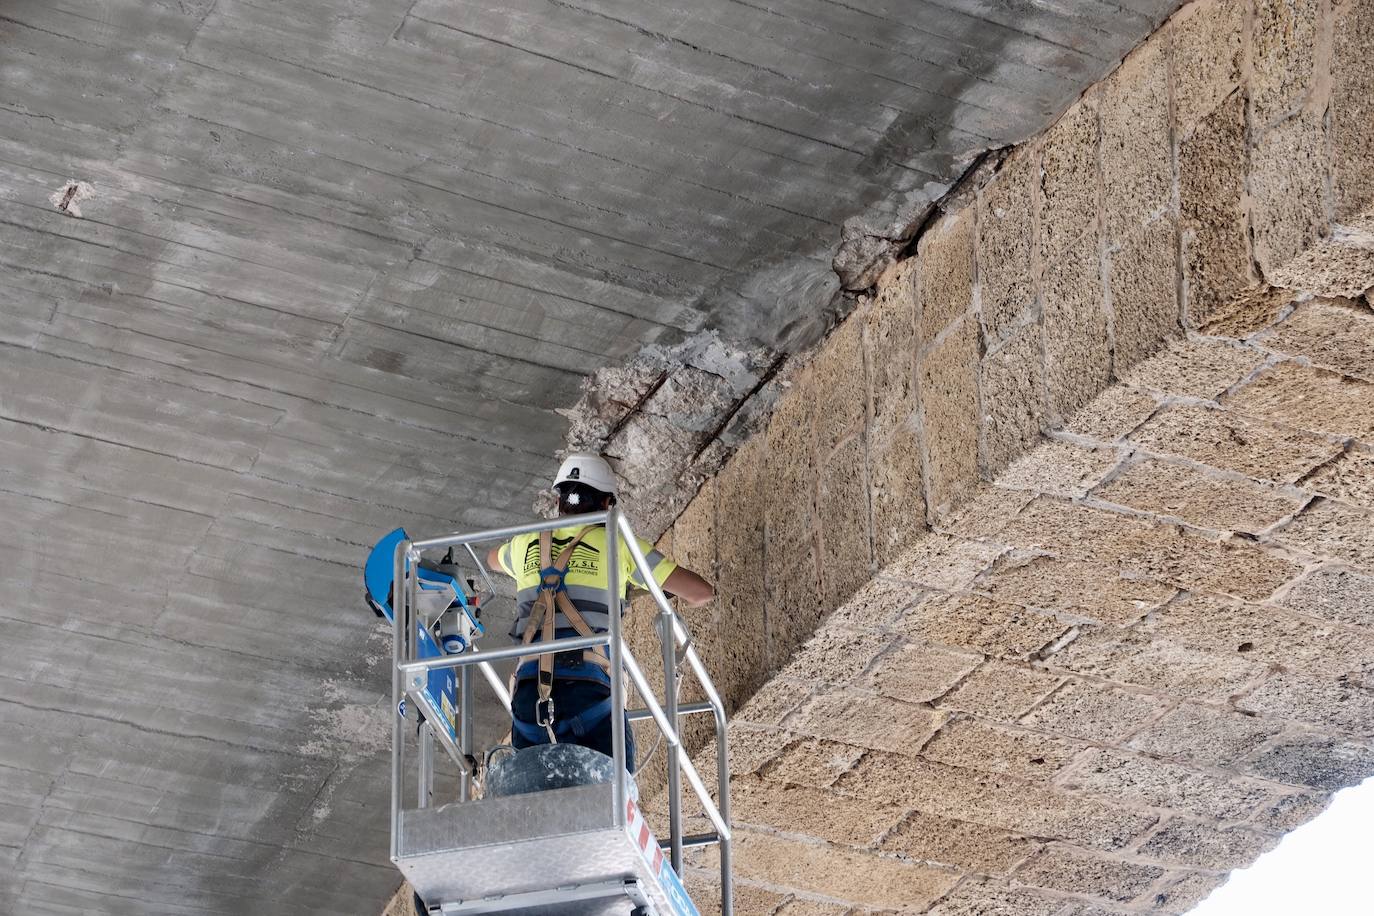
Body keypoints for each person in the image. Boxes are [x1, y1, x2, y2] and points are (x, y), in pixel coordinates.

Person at [486, 453, 714, 771]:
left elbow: (492, 559)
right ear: (608, 504)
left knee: (537, 800)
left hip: (528, 695)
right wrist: (639, 584)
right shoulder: (618, 544)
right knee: (616, 798)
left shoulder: (526, 543)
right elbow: (701, 593)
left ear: (560, 501)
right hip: (588, 691)